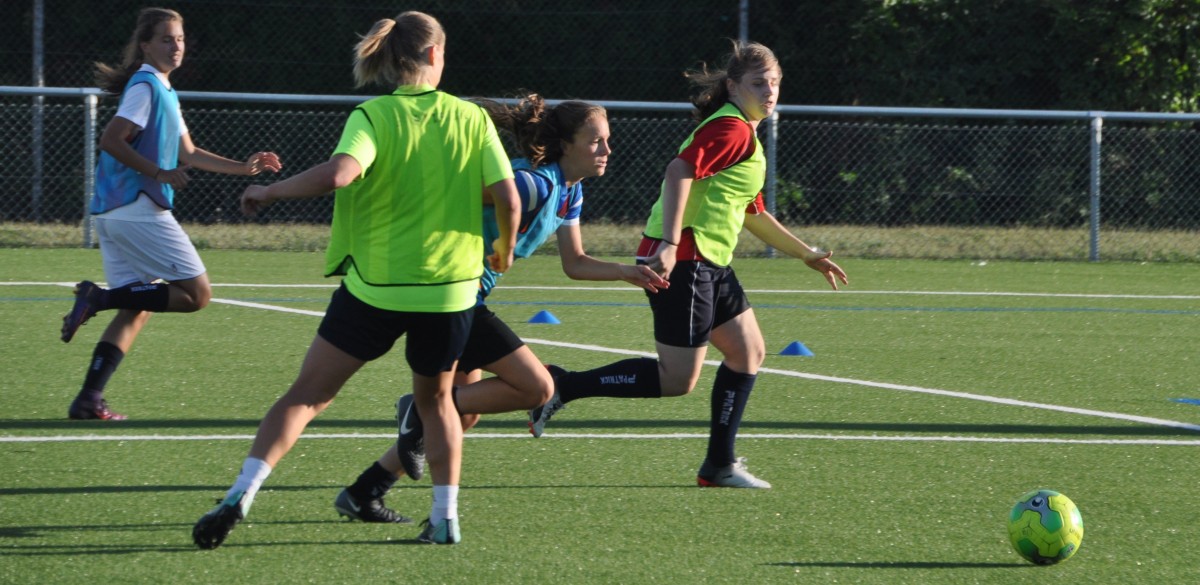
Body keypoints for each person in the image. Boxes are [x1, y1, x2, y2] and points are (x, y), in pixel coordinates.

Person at [190, 11, 519, 548]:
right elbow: (508, 197)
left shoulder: (374, 115)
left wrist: (268, 191)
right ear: (435, 54)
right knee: (438, 403)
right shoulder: (471, 118)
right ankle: (445, 519)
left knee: (306, 396)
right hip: (448, 290)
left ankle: (240, 493)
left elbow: (340, 173)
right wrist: (503, 247)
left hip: (375, 288)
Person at [333, 94, 669, 523]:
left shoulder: (570, 191)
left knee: (464, 414)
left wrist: (625, 272)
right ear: (566, 145)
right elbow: (453, 191)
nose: (607, 150)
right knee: (537, 388)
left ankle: (365, 492)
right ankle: (418, 410)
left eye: (607, 140)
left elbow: (575, 263)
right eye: (595, 141)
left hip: (466, 296)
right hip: (451, 294)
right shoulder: (533, 184)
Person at [528, 41, 849, 489]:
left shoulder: (743, 132)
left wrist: (805, 254)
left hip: (708, 261)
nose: (770, 91)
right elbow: (679, 171)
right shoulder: (732, 129)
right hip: (686, 259)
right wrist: (669, 242)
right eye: (759, 83)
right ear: (733, 86)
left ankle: (719, 465)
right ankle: (563, 386)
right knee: (677, 379)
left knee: (748, 352)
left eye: (775, 83)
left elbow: (753, 211)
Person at [60, 7, 282, 421]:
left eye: (179, 39)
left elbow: (189, 153)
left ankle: (88, 398)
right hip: (136, 209)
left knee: (138, 306)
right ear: (145, 45)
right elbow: (112, 139)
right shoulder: (145, 86)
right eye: (166, 39)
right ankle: (98, 297)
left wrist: (244, 168)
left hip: (114, 214)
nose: (175, 46)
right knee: (197, 295)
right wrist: (158, 172)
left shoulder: (162, 89)